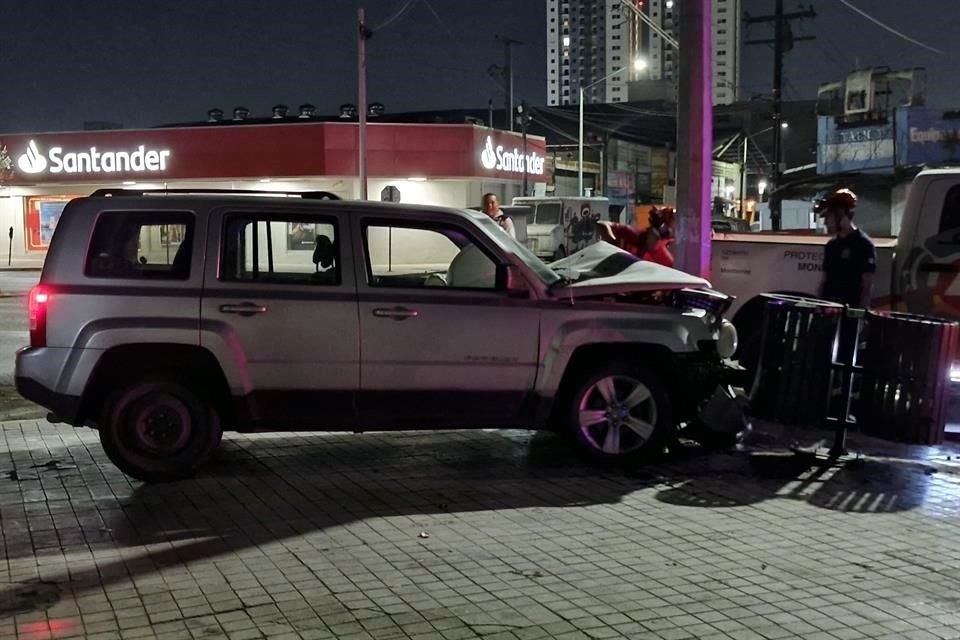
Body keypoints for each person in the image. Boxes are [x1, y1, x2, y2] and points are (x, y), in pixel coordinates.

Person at [816, 189, 875, 309]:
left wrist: (860, 313)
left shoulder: (863, 244)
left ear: (840, 214)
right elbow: (824, 280)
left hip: (850, 311)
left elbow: (867, 287)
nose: (826, 223)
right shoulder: (831, 245)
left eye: (828, 217)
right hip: (829, 310)